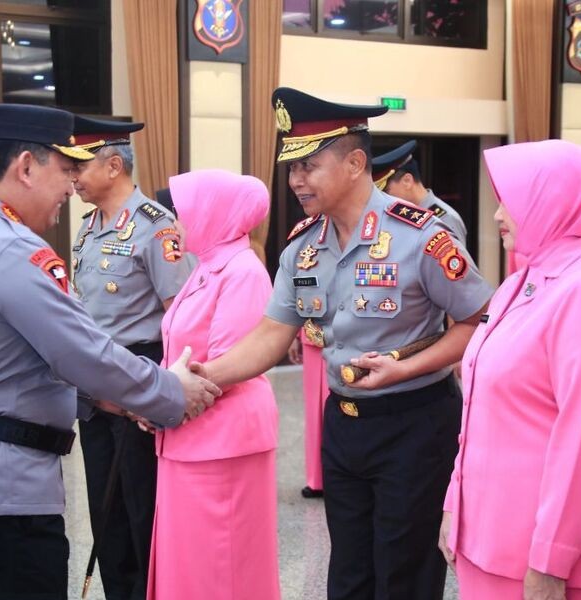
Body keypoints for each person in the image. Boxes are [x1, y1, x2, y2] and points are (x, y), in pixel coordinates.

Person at [0, 104, 220, 600]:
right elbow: (81, 352)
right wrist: (170, 392)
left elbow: (13, 356)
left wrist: (113, 398)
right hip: (1, 486)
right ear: (26, 167)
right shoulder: (11, 250)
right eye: (64, 169)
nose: (70, 185)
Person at [196, 87, 493, 600]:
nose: (295, 180)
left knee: (403, 575)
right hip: (343, 425)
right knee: (350, 574)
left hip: (415, 425)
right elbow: (272, 332)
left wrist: (406, 368)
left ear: (355, 164)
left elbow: (477, 321)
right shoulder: (303, 246)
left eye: (308, 166)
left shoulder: (422, 236)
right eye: (292, 168)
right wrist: (205, 376)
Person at [438, 139, 581, 599]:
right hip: (486, 534)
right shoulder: (520, 282)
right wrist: (454, 507)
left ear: (553, 202)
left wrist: (550, 561)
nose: (497, 214)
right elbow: (479, 410)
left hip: (537, 555)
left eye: (510, 201)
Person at [71, 115, 192, 600]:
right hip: (93, 384)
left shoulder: (155, 227)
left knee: (143, 510)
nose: (72, 176)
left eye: (80, 165)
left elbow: (181, 319)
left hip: (139, 379)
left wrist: (157, 392)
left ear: (113, 165)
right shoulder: (88, 227)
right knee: (105, 512)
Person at [146, 169, 280, 600]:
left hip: (222, 442)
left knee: (220, 567)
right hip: (187, 433)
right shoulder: (208, 266)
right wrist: (156, 399)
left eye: (182, 213)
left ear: (211, 214)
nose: (175, 223)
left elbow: (227, 366)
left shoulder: (242, 271)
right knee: (191, 561)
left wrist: (159, 399)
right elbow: (179, 348)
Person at [371, 140, 468, 242]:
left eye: (386, 191)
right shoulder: (400, 215)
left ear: (407, 181)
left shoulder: (446, 219)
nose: (384, 198)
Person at [287, 326, 330, 499]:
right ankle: (317, 480)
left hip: (348, 331)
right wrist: (292, 334)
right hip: (312, 328)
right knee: (313, 410)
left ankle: (344, 477)